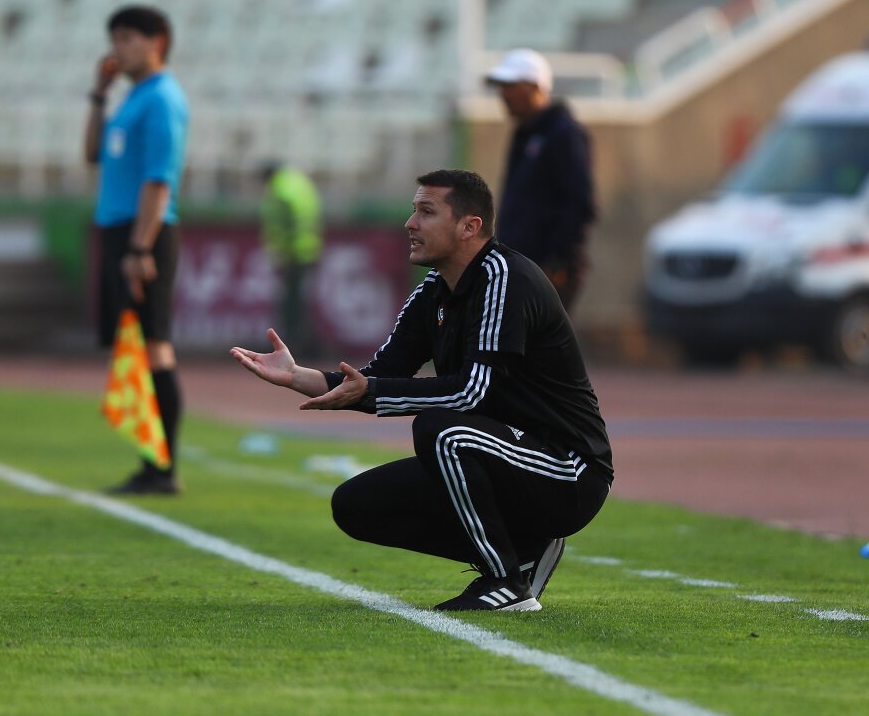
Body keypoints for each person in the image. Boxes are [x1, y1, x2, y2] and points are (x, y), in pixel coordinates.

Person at [230, 169, 612, 611]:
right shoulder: (433, 290)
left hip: (568, 471)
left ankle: (506, 581)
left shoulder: (506, 278)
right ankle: (525, 549)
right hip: (501, 457)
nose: (410, 223)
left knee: (441, 431)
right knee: (356, 505)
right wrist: (298, 376)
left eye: (426, 212)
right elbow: (376, 376)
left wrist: (373, 391)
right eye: (413, 210)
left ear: (469, 227)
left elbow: (470, 393)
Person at [85, 5, 190, 495]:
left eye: (127, 38)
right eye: (115, 38)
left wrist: (139, 247)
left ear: (157, 42)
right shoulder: (132, 98)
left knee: (154, 346)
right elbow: (92, 154)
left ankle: (162, 469)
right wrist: (98, 95)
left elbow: (158, 181)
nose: (117, 48)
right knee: (136, 350)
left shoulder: (163, 99)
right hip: (120, 232)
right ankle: (151, 464)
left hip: (143, 234)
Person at [487, 49, 596, 313]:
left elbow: (579, 202)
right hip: (520, 266)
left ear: (535, 87)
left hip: (546, 270)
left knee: (538, 337)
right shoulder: (524, 134)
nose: (504, 94)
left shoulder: (564, 134)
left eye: (511, 86)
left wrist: (558, 260)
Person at [258, 161, 323, 359]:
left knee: (291, 304)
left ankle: (292, 344)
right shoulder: (300, 182)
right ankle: (304, 343)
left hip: (293, 254)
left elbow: (280, 227)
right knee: (300, 301)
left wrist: (281, 255)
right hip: (309, 249)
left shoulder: (279, 192)